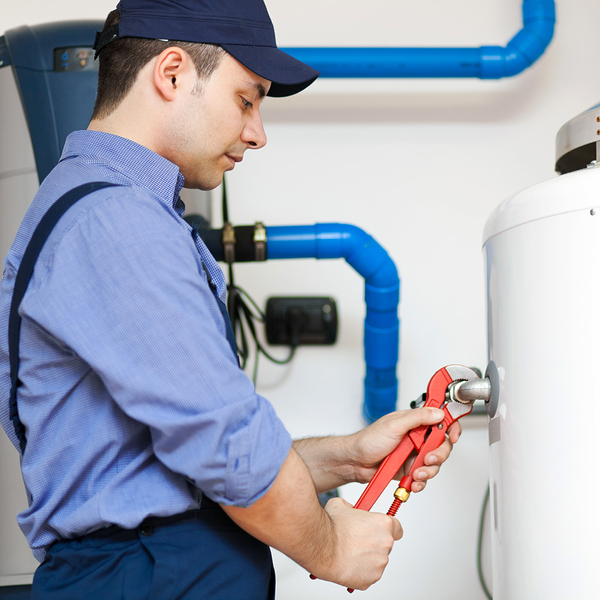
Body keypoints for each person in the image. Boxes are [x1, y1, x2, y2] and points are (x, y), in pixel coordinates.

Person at [0, 1, 461, 598]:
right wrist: (331, 547)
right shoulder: (117, 220)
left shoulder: (110, 210)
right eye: (247, 99)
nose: (257, 132)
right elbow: (225, 445)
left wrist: (345, 458)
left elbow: (157, 469)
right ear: (171, 74)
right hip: (147, 575)